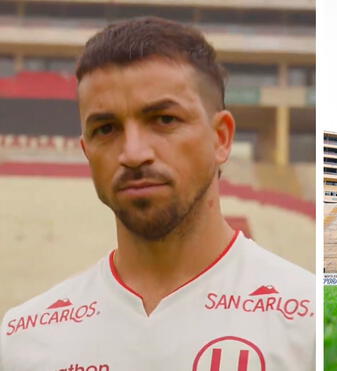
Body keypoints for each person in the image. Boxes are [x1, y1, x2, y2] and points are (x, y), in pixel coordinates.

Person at [0, 17, 314, 371]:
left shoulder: (312, 322)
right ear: (87, 151)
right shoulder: (23, 340)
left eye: (164, 120)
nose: (133, 153)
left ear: (221, 138)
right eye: (106, 128)